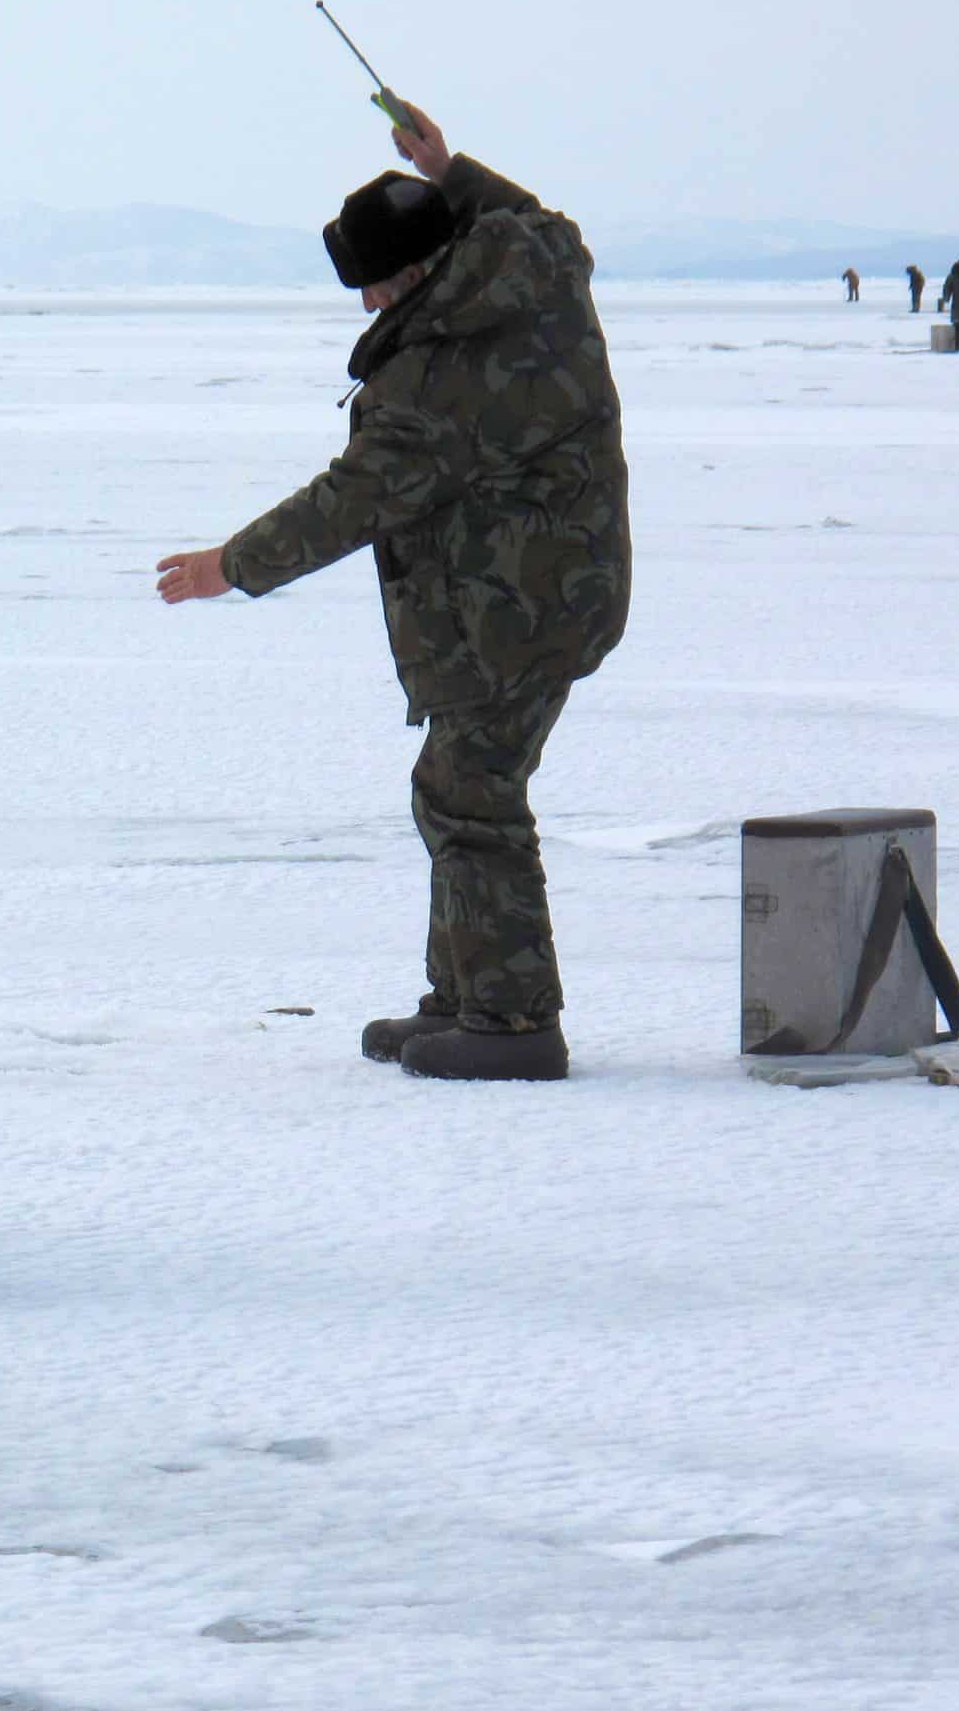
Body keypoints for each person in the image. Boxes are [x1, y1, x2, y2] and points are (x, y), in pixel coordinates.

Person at [153, 99, 630, 1083]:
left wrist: (226, 569)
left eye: (373, 284)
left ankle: (510, 1022)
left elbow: (352, 499)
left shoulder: (440, 374)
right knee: (458, 788)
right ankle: (462, 1001)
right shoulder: (538, 277)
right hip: (557, 585)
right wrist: (449, 170)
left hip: (508, 609)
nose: (368, 306)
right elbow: (544, 223)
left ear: (417, 270)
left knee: (471, 794)